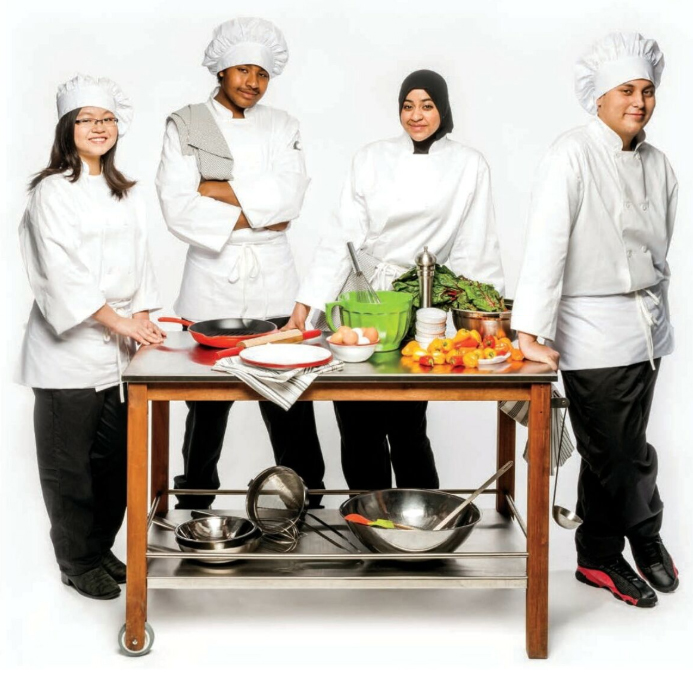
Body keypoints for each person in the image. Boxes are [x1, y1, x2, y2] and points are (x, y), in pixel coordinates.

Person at [512, 33, 679, 608]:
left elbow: (662, 247)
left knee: (616, 448)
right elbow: (546, 246)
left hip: (646, 326)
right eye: (626, 90)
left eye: (647, 90)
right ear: (599, 98)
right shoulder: (572, 153)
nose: (639, 101)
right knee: (622, 453)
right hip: (590, 327)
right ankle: (646, 539)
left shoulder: (660, 166)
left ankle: (597, 558)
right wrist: (528, 332)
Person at [287, 70, 505, 489]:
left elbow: (476, 244)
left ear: (443, 108)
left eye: (427, 106)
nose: (416, 116)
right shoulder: (370, 157)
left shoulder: (469, 165)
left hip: (419, 303)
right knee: (356, 420)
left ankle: (421, 522)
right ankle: (367, 522)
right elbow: (341, 236)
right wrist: (306, 304)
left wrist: (483, 323)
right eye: (408, 106)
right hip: (360, 299)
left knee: (407, 420)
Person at [156, 17, 325, 509]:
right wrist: (259, 213)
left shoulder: (283, 125)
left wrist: (215, 191)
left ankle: (307, 500)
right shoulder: (186, 123)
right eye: (243, 70)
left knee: (289, 398)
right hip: (211, 286)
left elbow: (290, 198)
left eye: (262, 74)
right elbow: (177, 207)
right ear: (221, 70)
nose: (252, 82)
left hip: (274, 285)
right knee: (205, 407)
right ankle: (195, 503)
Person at [18, 75, 165, 600]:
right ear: (67, 129)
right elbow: (62, 274)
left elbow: (143, 262)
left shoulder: (126, 190)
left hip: (119, 353)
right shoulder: (52, 192)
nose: (99, 128)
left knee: (112, 465)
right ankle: (76, 561)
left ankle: (100, 548)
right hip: (68, 356)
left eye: (106, 119)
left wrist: (144, 318)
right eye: (87, 120)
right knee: (69, 469)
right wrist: (120, 321)